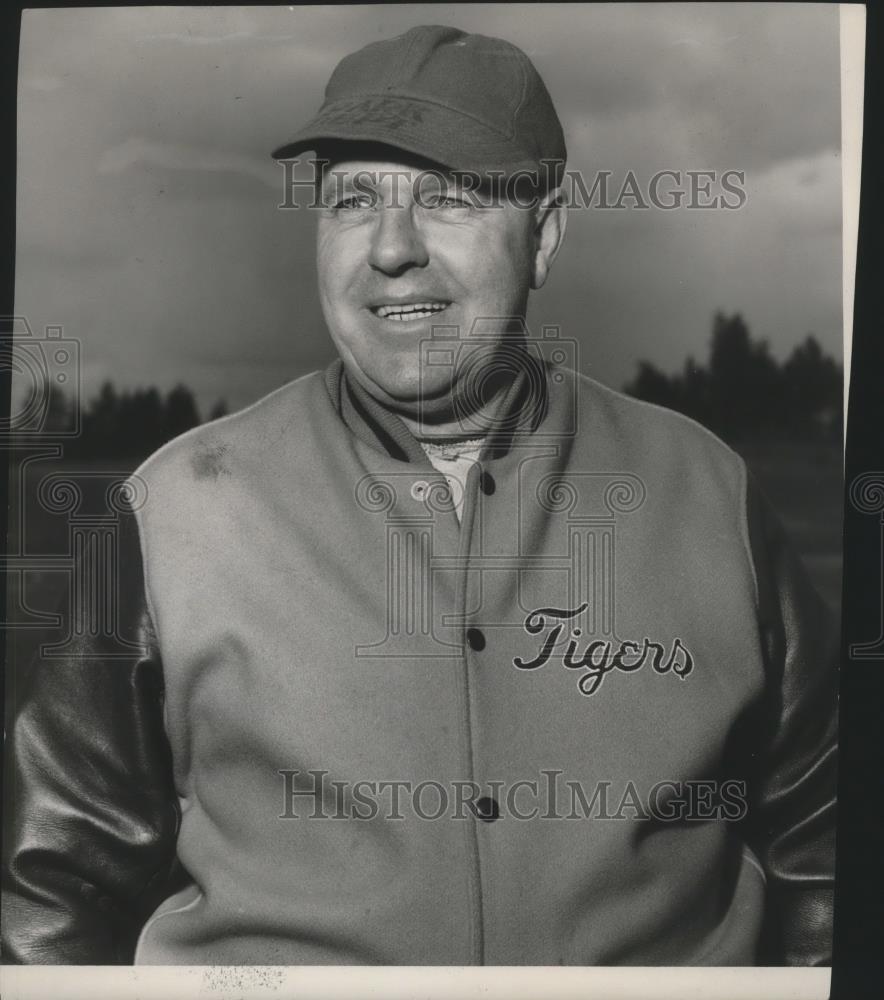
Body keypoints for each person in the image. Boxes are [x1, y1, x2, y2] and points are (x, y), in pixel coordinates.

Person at [2, 24, 836, 966]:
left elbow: (826, 852)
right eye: (354, 199)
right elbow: (56, 894)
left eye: (448, 197)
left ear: (546, 231)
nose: (392, 249)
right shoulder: (172, 513)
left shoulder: (709, 491)